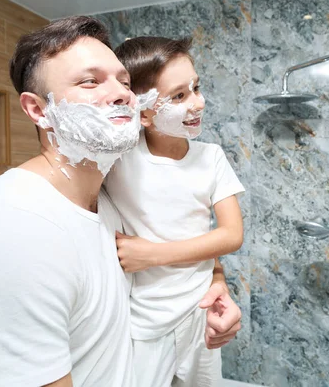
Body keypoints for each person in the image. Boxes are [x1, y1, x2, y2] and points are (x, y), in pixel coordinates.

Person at [0, 16, 240, 387]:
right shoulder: (5, 231)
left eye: (125, 82)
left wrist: (216, 279)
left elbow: (180, 226)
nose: (122, 94)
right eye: (89, 80)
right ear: (38, 110)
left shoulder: (107, 200)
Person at [104, 36, 245, 386]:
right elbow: (57, 175)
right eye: (179, 96)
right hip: (147, 319)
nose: (197, 103)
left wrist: (154, 255)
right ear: (145, 113)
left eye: (196, 87)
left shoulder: (210, 157)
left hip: (201, 311)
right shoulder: (120, 158)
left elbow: (231, 234)